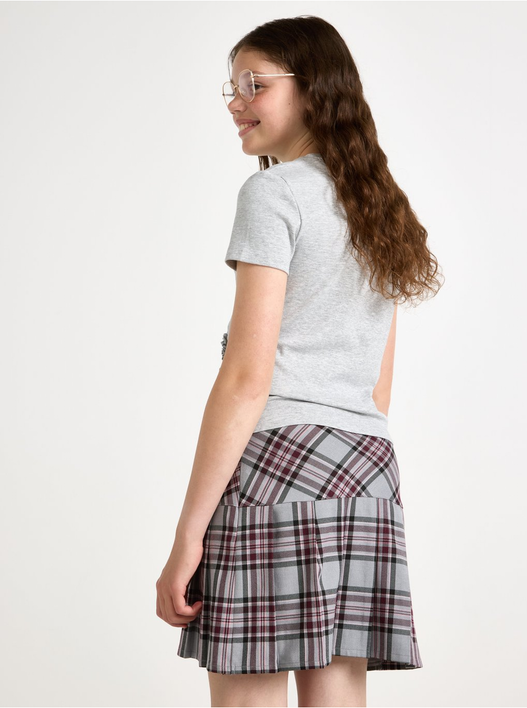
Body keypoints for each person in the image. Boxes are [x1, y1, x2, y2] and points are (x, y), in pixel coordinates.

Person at [156, 15, 443, 708]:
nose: (236, 101)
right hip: (366, 474)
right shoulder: (380, 208)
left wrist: (187, 537)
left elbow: (247, 379)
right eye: (232, 87)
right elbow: (378, 388)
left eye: (254, 84)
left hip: (277, 469)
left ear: (313, 86)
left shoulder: (273, 193)